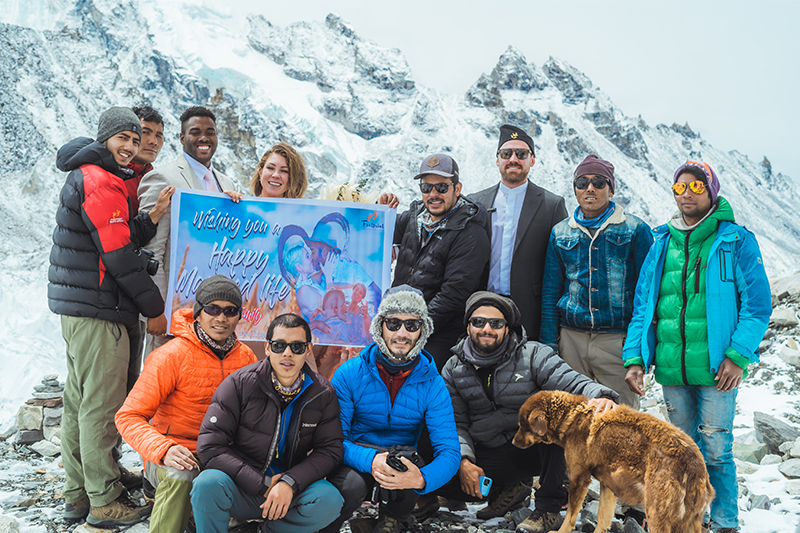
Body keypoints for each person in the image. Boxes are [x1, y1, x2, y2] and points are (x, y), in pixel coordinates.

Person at [623, 161, 771, 533]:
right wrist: (635, 358)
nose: (686, 194)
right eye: (679, 188)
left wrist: (738, 356)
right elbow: (644, 305)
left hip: (718, 368)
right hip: (673, 368)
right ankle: (693, 521)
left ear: (711, 191)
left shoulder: (735, 240)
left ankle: (724, 523)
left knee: (717, 450)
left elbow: (757, 305)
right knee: (682, 452)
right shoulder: (661, 242)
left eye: (695, 187)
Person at [48, 106, 174, 527]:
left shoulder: (93, 176)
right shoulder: (101, 181)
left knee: (79, 402)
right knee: (101, 407)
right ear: (105, 138)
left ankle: (79, 492)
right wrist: (154, 311)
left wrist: (150, 218)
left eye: (136, 141)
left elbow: (111, 238)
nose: (130, 147)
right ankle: (103, 500)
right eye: (124, 138)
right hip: (101, 311)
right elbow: (119, 258)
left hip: (82, 308)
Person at [428, 292, 618, 533]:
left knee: (552, 419)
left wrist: (602, 395)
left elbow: (570, 381)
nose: (487, 329)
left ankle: (548, 508)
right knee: (441, 476)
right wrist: (465, 461)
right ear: (468, 327)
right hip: (491, 450)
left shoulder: (533, 354)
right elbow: (455, 422)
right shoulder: (453, 368)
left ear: (507, 329)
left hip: (534, 449)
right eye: (479, 322)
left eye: (496, 324)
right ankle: (510, 489)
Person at [115, 276, 257, 533]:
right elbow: (128, 416)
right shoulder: (171, 355)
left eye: (230, 311)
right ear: (198, 313)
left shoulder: (246, 357)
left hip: (221, 454)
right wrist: (163, 449)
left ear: (239, 316)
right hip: (175, 452)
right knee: (181, 474)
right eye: (212, 309)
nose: (221, 318)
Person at [321, 285, 461, 533]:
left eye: (412, 325)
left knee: (411, 468)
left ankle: (392, 520)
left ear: (422, 330)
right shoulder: (349, 373)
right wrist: (371, 459)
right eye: (394, 323)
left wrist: (421, 479)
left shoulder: (433, 383)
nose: (402, 333)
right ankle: (327, 524)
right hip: (357, 457)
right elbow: (332, 439)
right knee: (350, 486)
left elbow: (449, 451)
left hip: (402, 458)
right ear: (380, 326)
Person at [191, 313, 345, 533]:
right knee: (207, 484)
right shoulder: (239, 384)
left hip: (290, 491)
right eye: (279, 345)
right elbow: (210, 446)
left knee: (329, 499)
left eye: (297, 347)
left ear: (308, 350)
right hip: (243, 486)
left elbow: (330, 450)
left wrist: (290, 482)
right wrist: (261, 483)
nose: (288, 354)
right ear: (267, 348)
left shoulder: (322, 393)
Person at [540, 155, 653, 408]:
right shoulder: (560, 232)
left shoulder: (636, 230)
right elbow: (550, 291)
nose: (590, 188)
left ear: (611, 189)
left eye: (599, 182)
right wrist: (550, 345)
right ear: (575, 190)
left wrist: (638, 349)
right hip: (570, 340)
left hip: (616, 343)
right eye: (582, 182)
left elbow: (646, 296)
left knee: (622, 424)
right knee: (572, 420)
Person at [138, 106, 239, 353]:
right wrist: (157, 311)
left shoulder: (225, 184)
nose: (204, 138)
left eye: (210, 132)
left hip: (217, 318)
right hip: (176, 316)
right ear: (183, 138)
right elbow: (151, 254)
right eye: (195, 132)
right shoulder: (163, 178)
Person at [470, 125, 568, 341]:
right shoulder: (476, 202)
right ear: (498, 160)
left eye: (521, 154)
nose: (513, 159)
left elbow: (561, 266)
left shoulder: (552, 205)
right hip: (482, 306)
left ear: (531, 160)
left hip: (529, 311)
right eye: (507, 154)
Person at [393, 154, 491, 370]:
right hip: (401, 325)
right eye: (426, 187)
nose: (433, 194)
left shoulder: (471, 234)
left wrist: (413, 328)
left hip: (438, 333)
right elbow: (379, 236)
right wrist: (380, 211)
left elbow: (453, 296)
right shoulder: (414, 216)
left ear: (457, 189)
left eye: (442, 187)